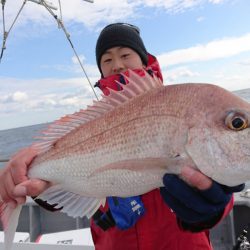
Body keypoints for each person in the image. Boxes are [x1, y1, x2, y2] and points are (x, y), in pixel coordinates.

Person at [0, 23, 245, 250]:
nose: (117, 64)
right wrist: (30, 174)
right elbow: (69, 183)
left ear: (143, 58)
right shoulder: (95, 122)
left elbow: (220, 189)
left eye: (125, 54)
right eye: (107, 59)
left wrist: (213, 207)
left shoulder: (183, 103)